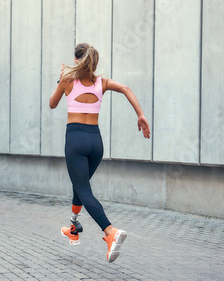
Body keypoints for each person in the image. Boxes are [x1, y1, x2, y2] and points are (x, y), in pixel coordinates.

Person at [49, 43, 150, 263]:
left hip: (75, 139)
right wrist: (140, 115)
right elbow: (126, 89)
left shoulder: (67, 81)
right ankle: (74, 227)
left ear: (77, 60)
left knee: (83, 188)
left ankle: (110, 232)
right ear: (93, 62)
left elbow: (52, 104)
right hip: (96, 142)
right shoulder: (101, 83)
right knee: (81, 185)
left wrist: (61, 80)